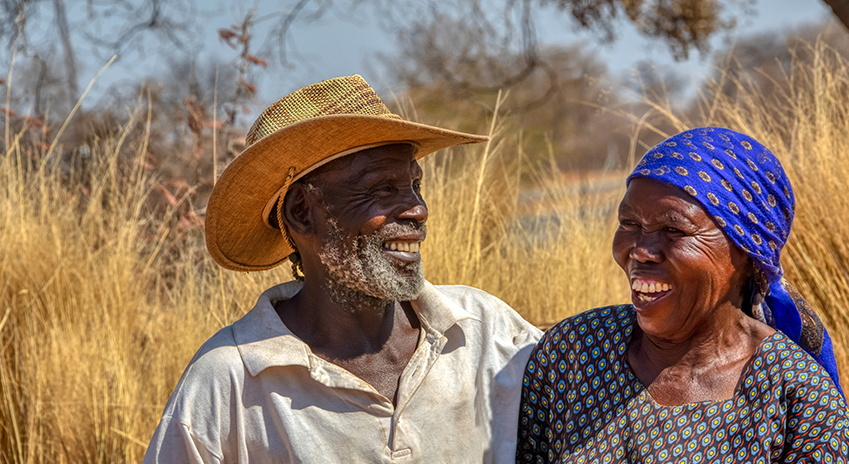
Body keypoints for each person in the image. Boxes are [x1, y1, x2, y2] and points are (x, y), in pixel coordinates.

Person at [143, 75, 541, 463]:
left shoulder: (483, 331)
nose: (418, 210)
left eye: (414, 185)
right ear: (303, 213)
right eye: (382, 190)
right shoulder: (231, 384)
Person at [516, 127, 849, 463]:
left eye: (673, 229)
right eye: (629, 223)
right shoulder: (575, 350)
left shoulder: (798, 396)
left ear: (746, 250)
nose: (641, 249)